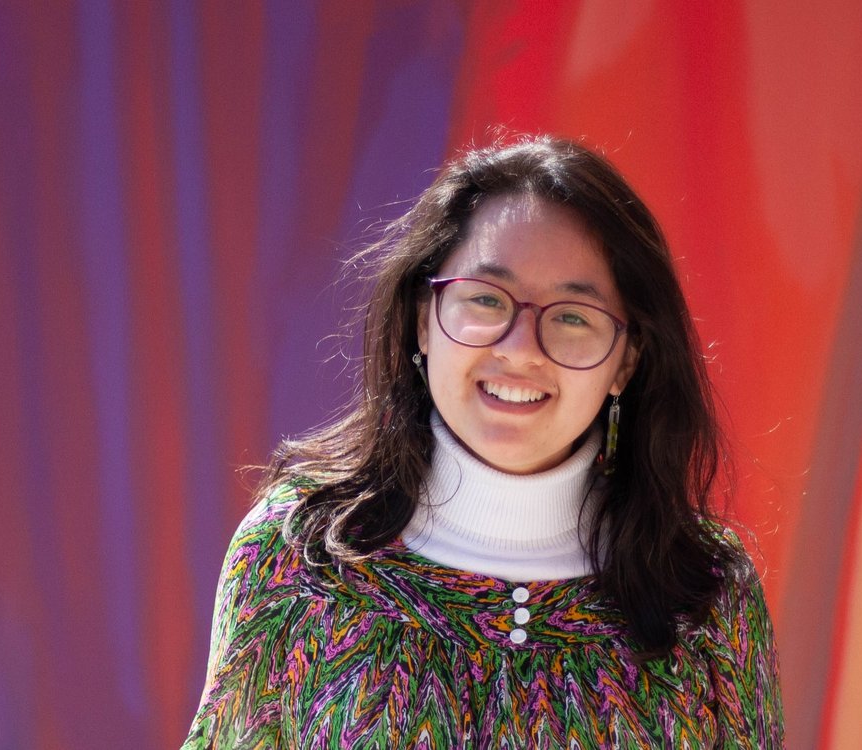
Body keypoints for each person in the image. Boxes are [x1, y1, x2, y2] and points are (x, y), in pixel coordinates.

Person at [183, 135, 784, 748]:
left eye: (573, 314)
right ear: (424, 319)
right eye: (486, 299)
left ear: (627, 361)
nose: (519, 348)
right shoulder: (297, 556)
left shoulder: (707, 594)